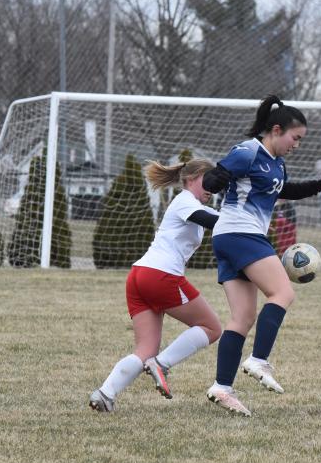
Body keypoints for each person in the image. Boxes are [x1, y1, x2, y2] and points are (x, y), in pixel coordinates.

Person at [201, 95, 321, 416]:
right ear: (276, 130)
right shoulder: (249, 150)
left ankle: (222, 387)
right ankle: (258, 360)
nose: (297, 144)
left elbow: (284, 190)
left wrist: (320, 184)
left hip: (230, 237)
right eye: (296, 138)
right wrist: (215, 179)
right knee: (283, 292)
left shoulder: (275, 163)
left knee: (243, 317)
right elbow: (216, 175)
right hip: (241, 233)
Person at [89, 158, 223, 412]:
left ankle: (105, 394)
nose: (213, 187)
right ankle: (161, 364)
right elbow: (213, 220)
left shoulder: (192, 203)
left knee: (144, 350)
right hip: (160, 275)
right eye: (210, 180)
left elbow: (224, 220)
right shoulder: (185, 200)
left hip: (140, 275)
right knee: (211, 327)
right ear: (192, 178)